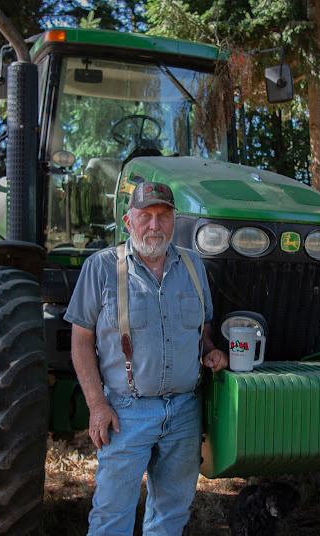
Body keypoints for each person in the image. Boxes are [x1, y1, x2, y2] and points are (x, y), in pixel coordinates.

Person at [64, 181, 228, 535]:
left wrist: (211, 351)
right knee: (111, 517)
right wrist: (97, 405)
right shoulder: (101, 267)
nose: (155, 226)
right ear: (128, 221)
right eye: (146, 216)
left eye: (163, 216)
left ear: (174, 221)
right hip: (126, 413)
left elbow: (202, 327)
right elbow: (80, 343)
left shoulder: (193, 265)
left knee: (171, 515)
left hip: (184, 412)